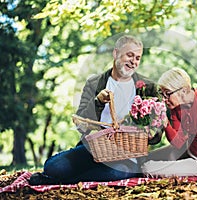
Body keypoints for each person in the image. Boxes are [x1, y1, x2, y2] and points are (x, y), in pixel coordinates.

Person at [29, 35, 160, 185]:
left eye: (138, 58)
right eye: (129, 55)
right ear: (116, 53)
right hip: (94, 149)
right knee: (53, 166)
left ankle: (66, 181)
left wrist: (153, 134)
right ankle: (69, 176)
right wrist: (97, 102)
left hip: (128, 155)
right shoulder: (94, 83)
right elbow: (81, 123)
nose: (134, 61)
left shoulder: (146, 87)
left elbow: (159, 120)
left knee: (117, 171)